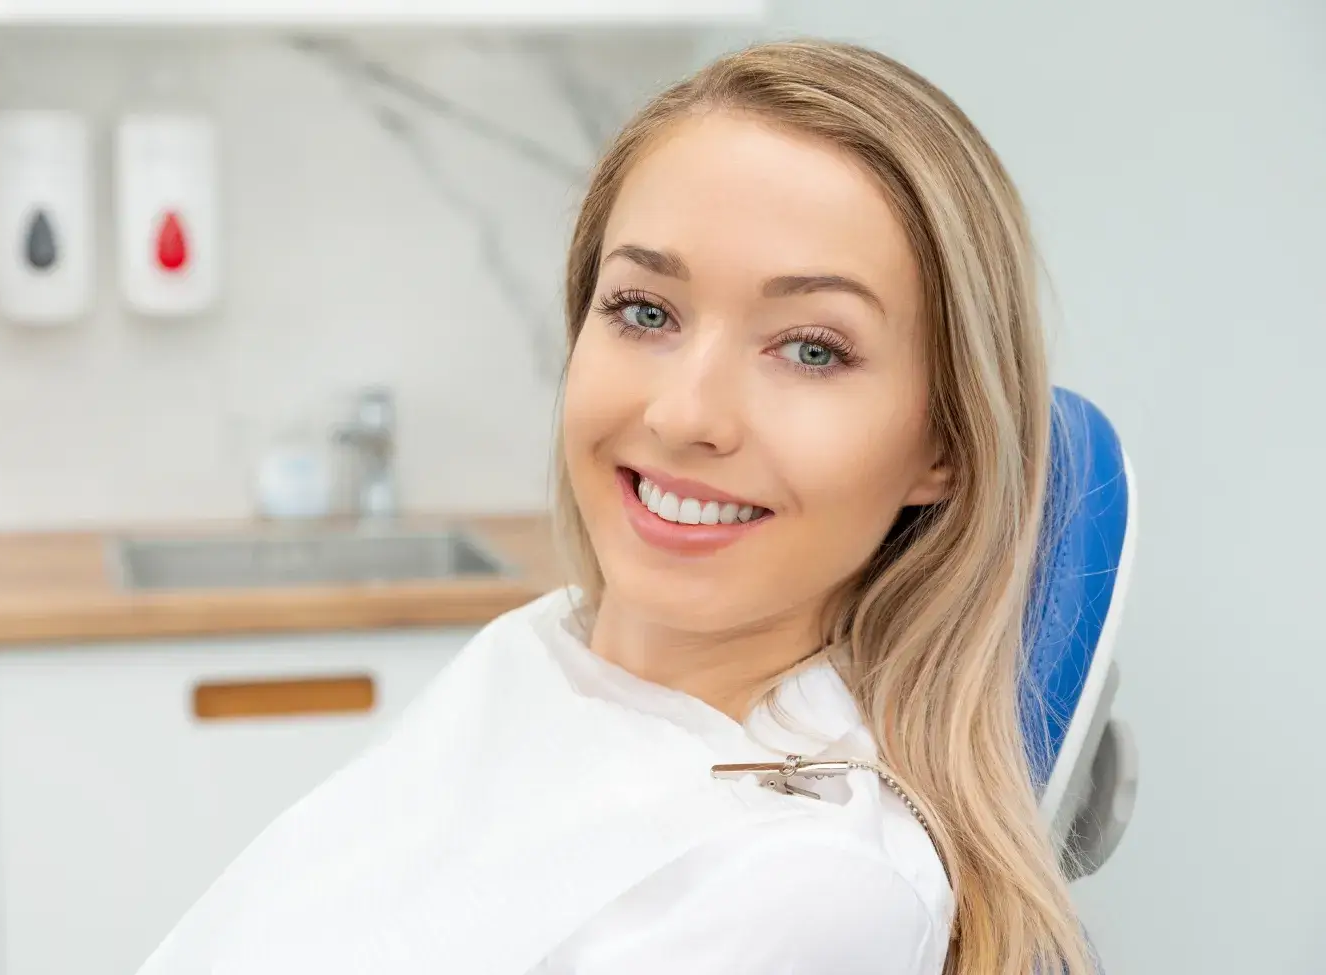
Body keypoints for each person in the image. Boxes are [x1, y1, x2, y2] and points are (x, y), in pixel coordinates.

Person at [136, 40, 1095, 975]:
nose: (683, 414)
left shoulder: (807, 888)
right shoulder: (543, 649)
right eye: (646, 311)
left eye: (811, 349)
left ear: (945, 449)